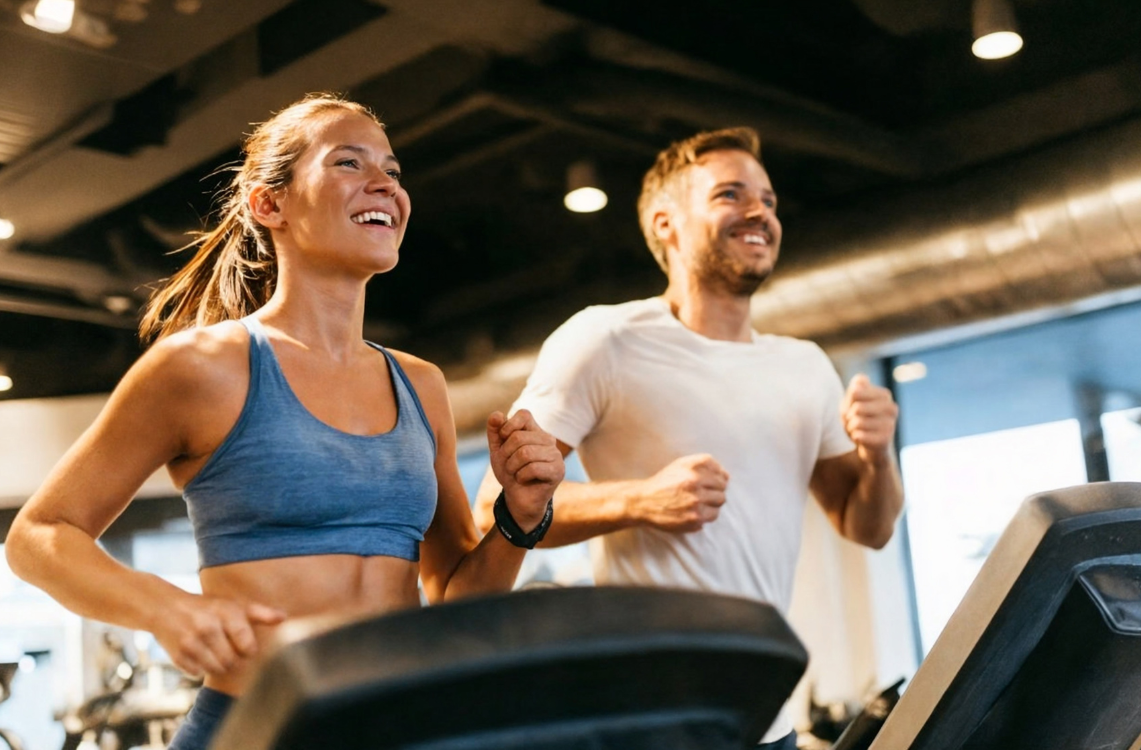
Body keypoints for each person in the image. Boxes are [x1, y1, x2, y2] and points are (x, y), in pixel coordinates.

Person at [4, 93, 564, 750]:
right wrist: (165, 607)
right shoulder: (202, 367)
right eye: (349, 163)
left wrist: (519, 521)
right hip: (260, 730)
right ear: (269, 204)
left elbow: (450, 595)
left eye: (392, 170)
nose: (385, 183)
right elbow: (38, 536)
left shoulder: (421, 384)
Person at [473, 126, 903, 750]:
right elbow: (497, 505)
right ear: (665, 222)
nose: (759, 211)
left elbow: (869, 526)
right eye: (731, 194)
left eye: (769, 200)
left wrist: (879, 456)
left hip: (767, 719)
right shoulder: (604, 340)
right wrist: (641, 500)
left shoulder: (804, 365)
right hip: (650, 719)